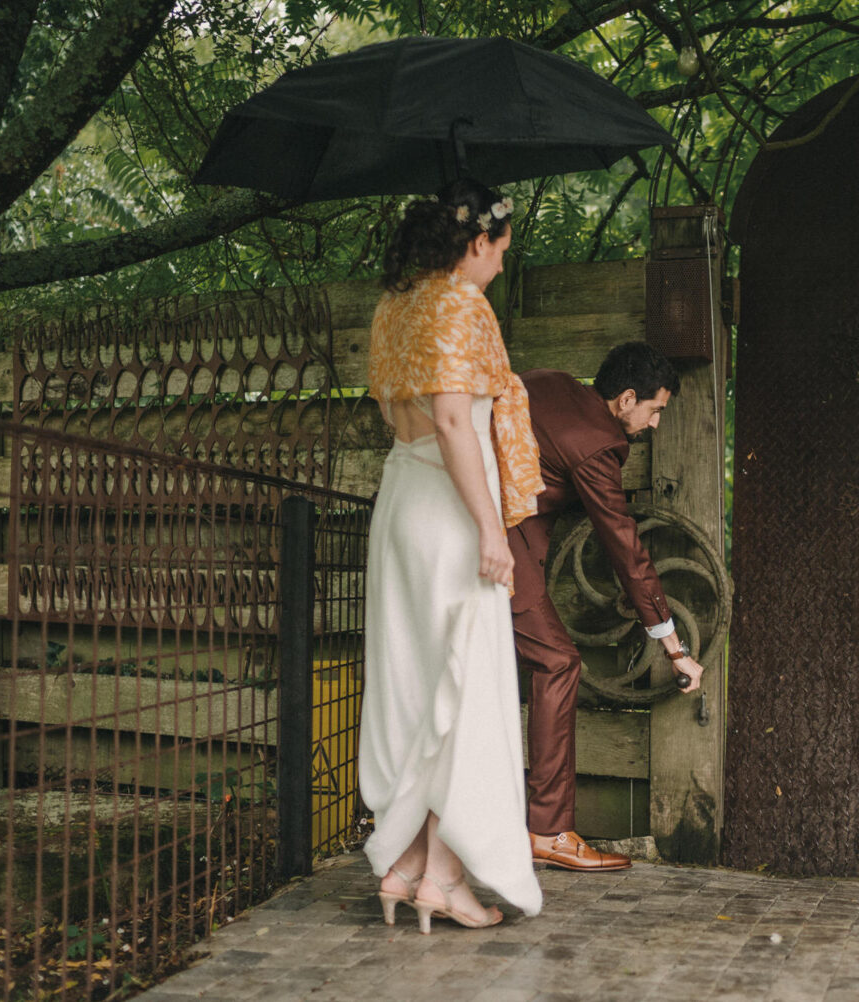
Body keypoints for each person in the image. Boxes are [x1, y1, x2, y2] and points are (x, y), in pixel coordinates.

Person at [359, 184, 544, 931]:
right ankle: (442, 875)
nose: (501, 266)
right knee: (467, 690)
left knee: (416, 683)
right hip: (448, 508)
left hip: (400, 499)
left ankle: (404, 864)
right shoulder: (459, 303)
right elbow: (452, 421)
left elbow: (395, 413)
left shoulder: (392, 307)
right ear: (477, 243)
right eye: (501, 251)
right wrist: (492, 530)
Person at [510, 342, 705, 871]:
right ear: (624, 399)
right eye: (656, 409)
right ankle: (548, 830)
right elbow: (625, 548)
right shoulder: (599, 445)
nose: (656, 424)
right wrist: (674, 648)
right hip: (492, 547)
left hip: (454, 524)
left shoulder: (547, 377)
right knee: (558, 662)